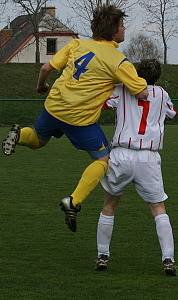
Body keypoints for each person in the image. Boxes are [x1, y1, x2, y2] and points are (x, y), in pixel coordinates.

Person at [1, 5, 148, 232]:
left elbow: (46, 67)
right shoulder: (118, 61)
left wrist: (41, 86)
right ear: (113, 30)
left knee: (38, 140)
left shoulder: (77, 44)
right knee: (103, 160)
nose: (124, 28)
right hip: (79, 119)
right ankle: (74, 201)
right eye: (121, 25)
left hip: (54, 106)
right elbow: (142, 92)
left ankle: (19, 134)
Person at [95, 59, 177, 276]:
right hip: (148, 158)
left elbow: (103, 104)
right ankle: (168, 258)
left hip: (121, 154)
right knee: (158, 208)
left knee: (110, 204)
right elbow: (172, 113)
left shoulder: (122, 89)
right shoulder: (162, 93)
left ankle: (103, 255)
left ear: (136, 74)